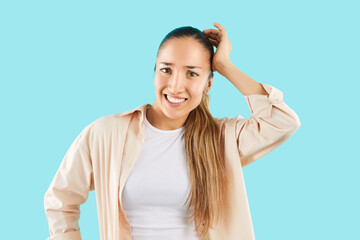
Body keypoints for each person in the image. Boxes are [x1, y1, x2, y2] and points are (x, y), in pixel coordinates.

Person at [44, 22, 301, 240]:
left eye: (192, 73)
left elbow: (282, 120)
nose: (176, 86)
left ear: (208, 83)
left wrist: (224, 65)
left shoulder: (222, 139)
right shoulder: (106, 133)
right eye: (166, 70)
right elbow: (60, 200)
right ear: (154, 73)